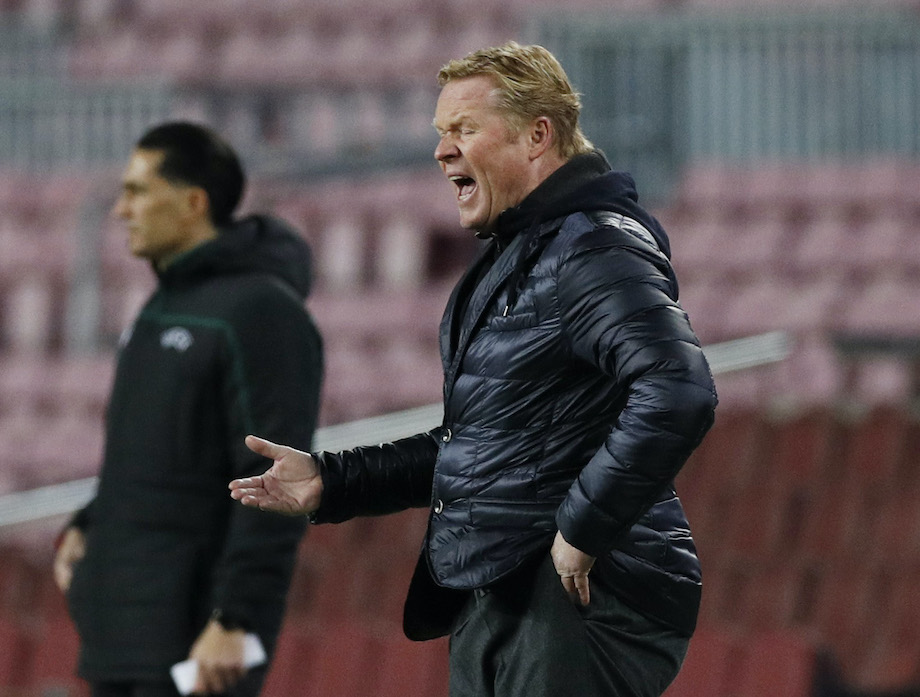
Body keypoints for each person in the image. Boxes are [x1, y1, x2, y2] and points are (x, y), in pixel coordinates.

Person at [230, 42, 717, 697]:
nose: (441, 150)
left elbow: (679, 390)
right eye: (441, 131)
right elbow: (484, 448)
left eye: (463, 128)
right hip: (503, 589)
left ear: (537, 136)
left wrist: (583, 528)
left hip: (574, 593)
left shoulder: (594, 246)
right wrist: (333, 481)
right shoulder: (525, 253)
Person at [53, 121, 323, 697]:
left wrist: (235, 619)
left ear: (194, 203)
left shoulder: (262, 312)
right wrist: (91, 521)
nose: (122, 210)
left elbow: (274, 479)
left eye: (137, 191)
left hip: (197, 635)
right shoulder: (162, 305)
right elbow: (161, 457)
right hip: (122, 631)